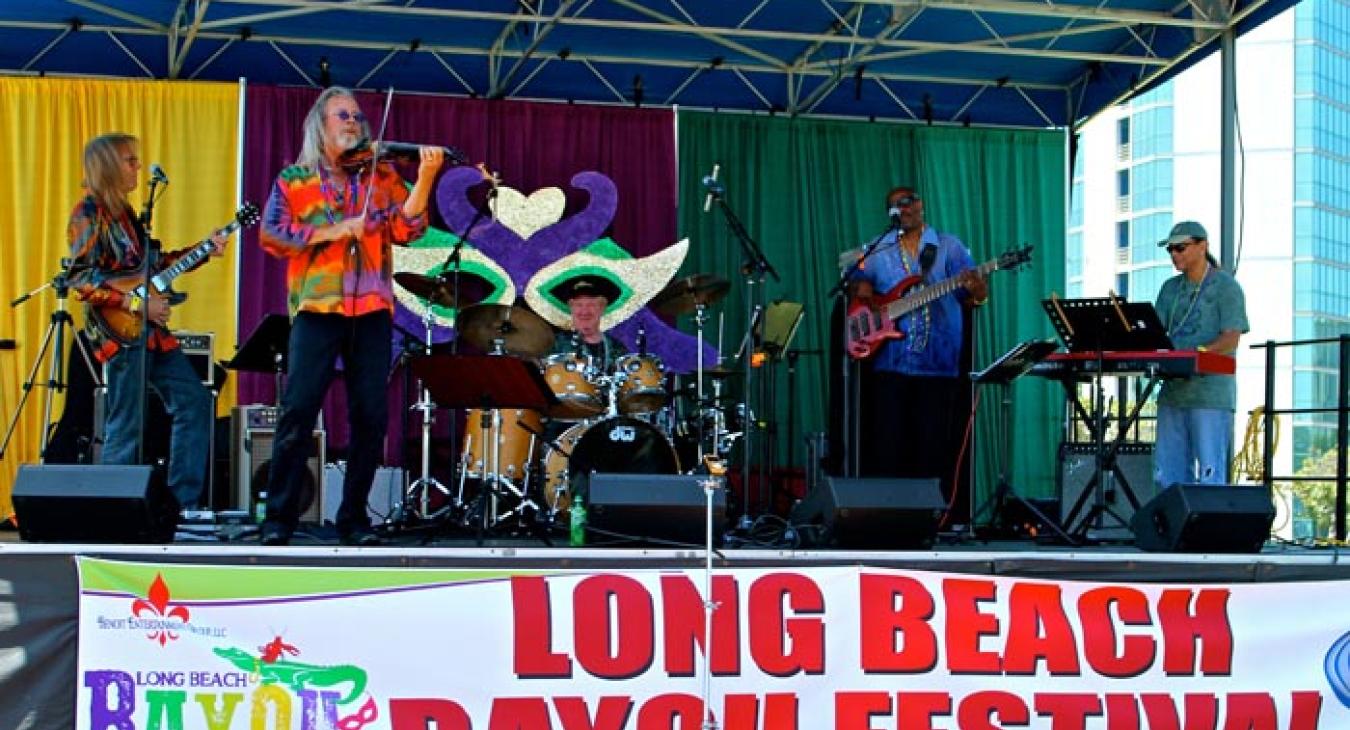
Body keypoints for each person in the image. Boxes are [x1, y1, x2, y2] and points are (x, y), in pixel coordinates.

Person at [258, 87, 444, 546]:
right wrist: (338, 230)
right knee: (299, 410)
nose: (354, 122)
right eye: (343, 115)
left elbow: (409, 229)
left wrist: (425, 178)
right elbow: (272, 235)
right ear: (319, 125)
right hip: (318, 308)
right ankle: (278, 517)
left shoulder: (381, 174)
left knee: (371, 416)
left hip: (372, 309)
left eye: (358, 116)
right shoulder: (295, 178)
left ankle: (354, 518)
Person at [66, 132, 226, 510]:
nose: (138, 167)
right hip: (122, 332)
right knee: (126, 422)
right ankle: (112, 511)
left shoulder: (128, 217)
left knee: (195, 402)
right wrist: (137, 304)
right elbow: (80, 280)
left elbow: (153, 269)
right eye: (130, 161)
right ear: (108, 166)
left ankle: (179, 505)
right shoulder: (87, 212)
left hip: (149, 331)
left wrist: (203, 250)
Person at [849, 185, 988, 496]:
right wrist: (861, 287)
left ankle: (931, 512)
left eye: (908, 202)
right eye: (896, 206)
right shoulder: (878, 249)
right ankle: (888, 510)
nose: (904, 208)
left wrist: (979, 291)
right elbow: (855, 274)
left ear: (920, 204)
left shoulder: (949, 247)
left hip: (938, 363)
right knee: (888, 444)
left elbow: (971, 298)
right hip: (890, 361)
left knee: (932, 445)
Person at [1153, 221, 1248, 488]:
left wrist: (1198, 354)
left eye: (1180, 248)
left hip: (1210, 394)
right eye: (1170, 249)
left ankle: (1208, 519)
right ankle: (1173, 517)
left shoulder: (1226, 287)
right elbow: (1156, 333)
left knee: (1209, 474)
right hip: (1172, 393)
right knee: (1167, 475)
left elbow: (1231, 337)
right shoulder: (1170, 288)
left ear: (1202, 246)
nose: (1174, 254)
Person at [549, 274, 628, 369]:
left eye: (591, 305)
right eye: (579, 305)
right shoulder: (555, 345)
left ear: (602, 308)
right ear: (571, 308)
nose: (584, 311)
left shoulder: (618, 349)